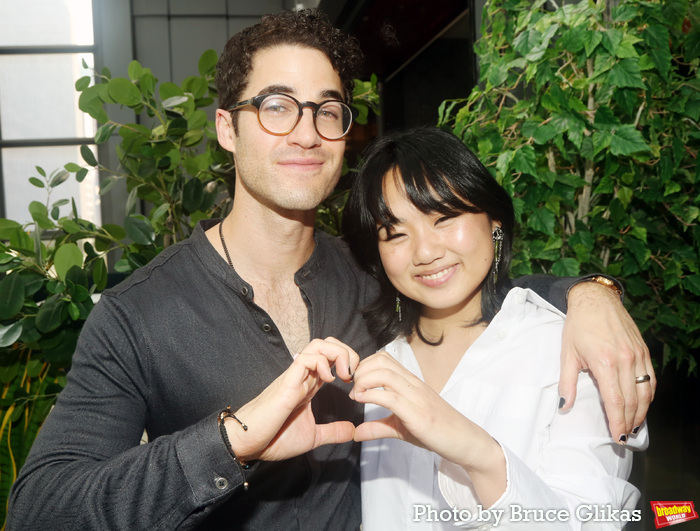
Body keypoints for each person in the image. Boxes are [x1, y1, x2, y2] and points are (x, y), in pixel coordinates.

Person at [7, 10, 652, 530]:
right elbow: (40, 509)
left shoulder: (378, 275)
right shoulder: (138, 316)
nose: (306, 133)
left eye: (327, 110)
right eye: (277, 106)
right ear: (227, 128)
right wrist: (230, 443)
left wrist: (590, 294)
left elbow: (468, 281)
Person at [341, 126, 649, 529]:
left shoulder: (569, 349)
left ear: (494, 221)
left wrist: (476, 452)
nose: (426, 252)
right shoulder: (380, 365)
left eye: (445, 218)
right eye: (395, 233)